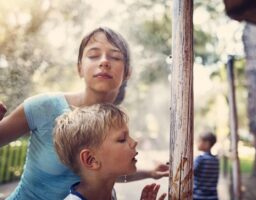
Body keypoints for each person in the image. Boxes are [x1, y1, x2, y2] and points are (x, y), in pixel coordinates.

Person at [0, 26, 168, 200]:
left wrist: (150, 172)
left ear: (128, 72)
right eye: (94, 55)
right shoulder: (43, 106)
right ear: (79, 68)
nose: (104, 62)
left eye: (115, 57)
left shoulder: (116, 122)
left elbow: (104, 170)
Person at [53, 103, 166, 200]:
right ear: (91, 159)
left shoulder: (108, 193)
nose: (134, 142)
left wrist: (151, 173)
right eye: (122, 139)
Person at [193, 132, 219, 200]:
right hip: (213, 197)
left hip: (199, 196)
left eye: (199, 141)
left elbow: (190, 172)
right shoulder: (216, 160)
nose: (197, 143)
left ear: (207, 144)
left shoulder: (200, 159)